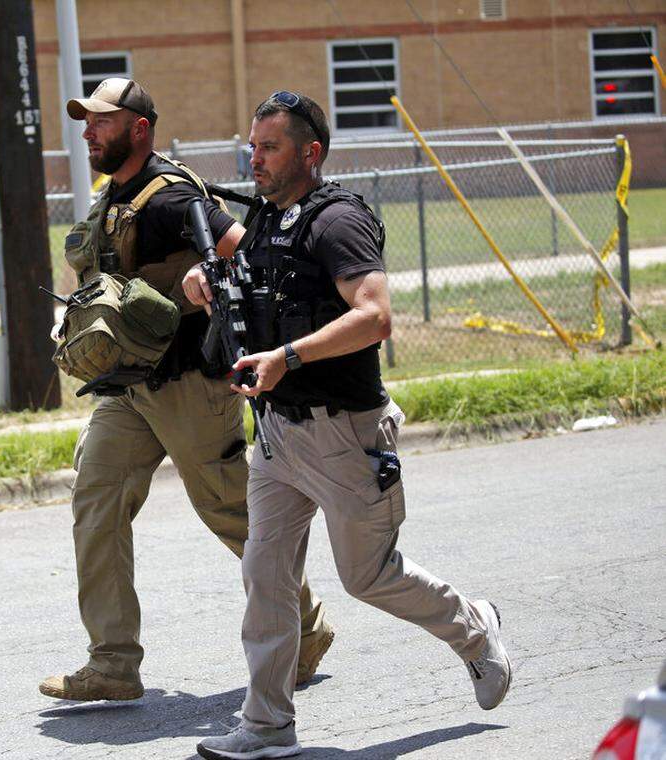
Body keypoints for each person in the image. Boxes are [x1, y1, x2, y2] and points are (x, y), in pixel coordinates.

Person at [185, 91, 512, 759]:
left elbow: (375, 315)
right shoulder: (272, 222)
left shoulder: (338, 223)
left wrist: (288, 356)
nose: (256, 158)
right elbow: (248, 282)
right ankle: (268, 725)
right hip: (280, 434)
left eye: (269, 147)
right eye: (252, 146)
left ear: (311, 152)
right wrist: (206, 280)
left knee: (369, 576)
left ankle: (475, 629)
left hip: (345, 435)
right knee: (265, 571)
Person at [38, 78, 336, 703]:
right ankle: (113, 664)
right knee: (96, 502)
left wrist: (213, 273)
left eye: (102, 122)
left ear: (138, 129)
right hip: (127, 390)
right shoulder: (112, 195)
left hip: (189, 388)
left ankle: (304, 632)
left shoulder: (171, 196)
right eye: (85, 122)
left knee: (233, 513)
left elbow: (247, 253)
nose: (89, 132)